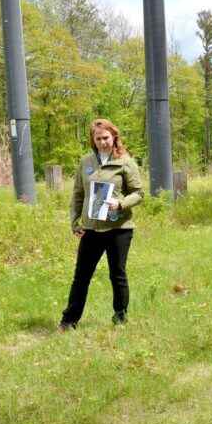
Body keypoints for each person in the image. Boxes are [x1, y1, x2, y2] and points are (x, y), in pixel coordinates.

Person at [59, 118, 144, 330]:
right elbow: (78, 194)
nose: (102, 142)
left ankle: (120, 316)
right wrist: (74, 221)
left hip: (119, 229)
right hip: (91, 229)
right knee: (81, 276)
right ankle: (69, 320)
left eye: (106, 137)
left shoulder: (125, 162)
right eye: (98, 139)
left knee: (117, 274)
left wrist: (121, 203)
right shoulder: (86, 162)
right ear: (93, 140)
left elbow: (138, 193)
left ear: (114, 137)